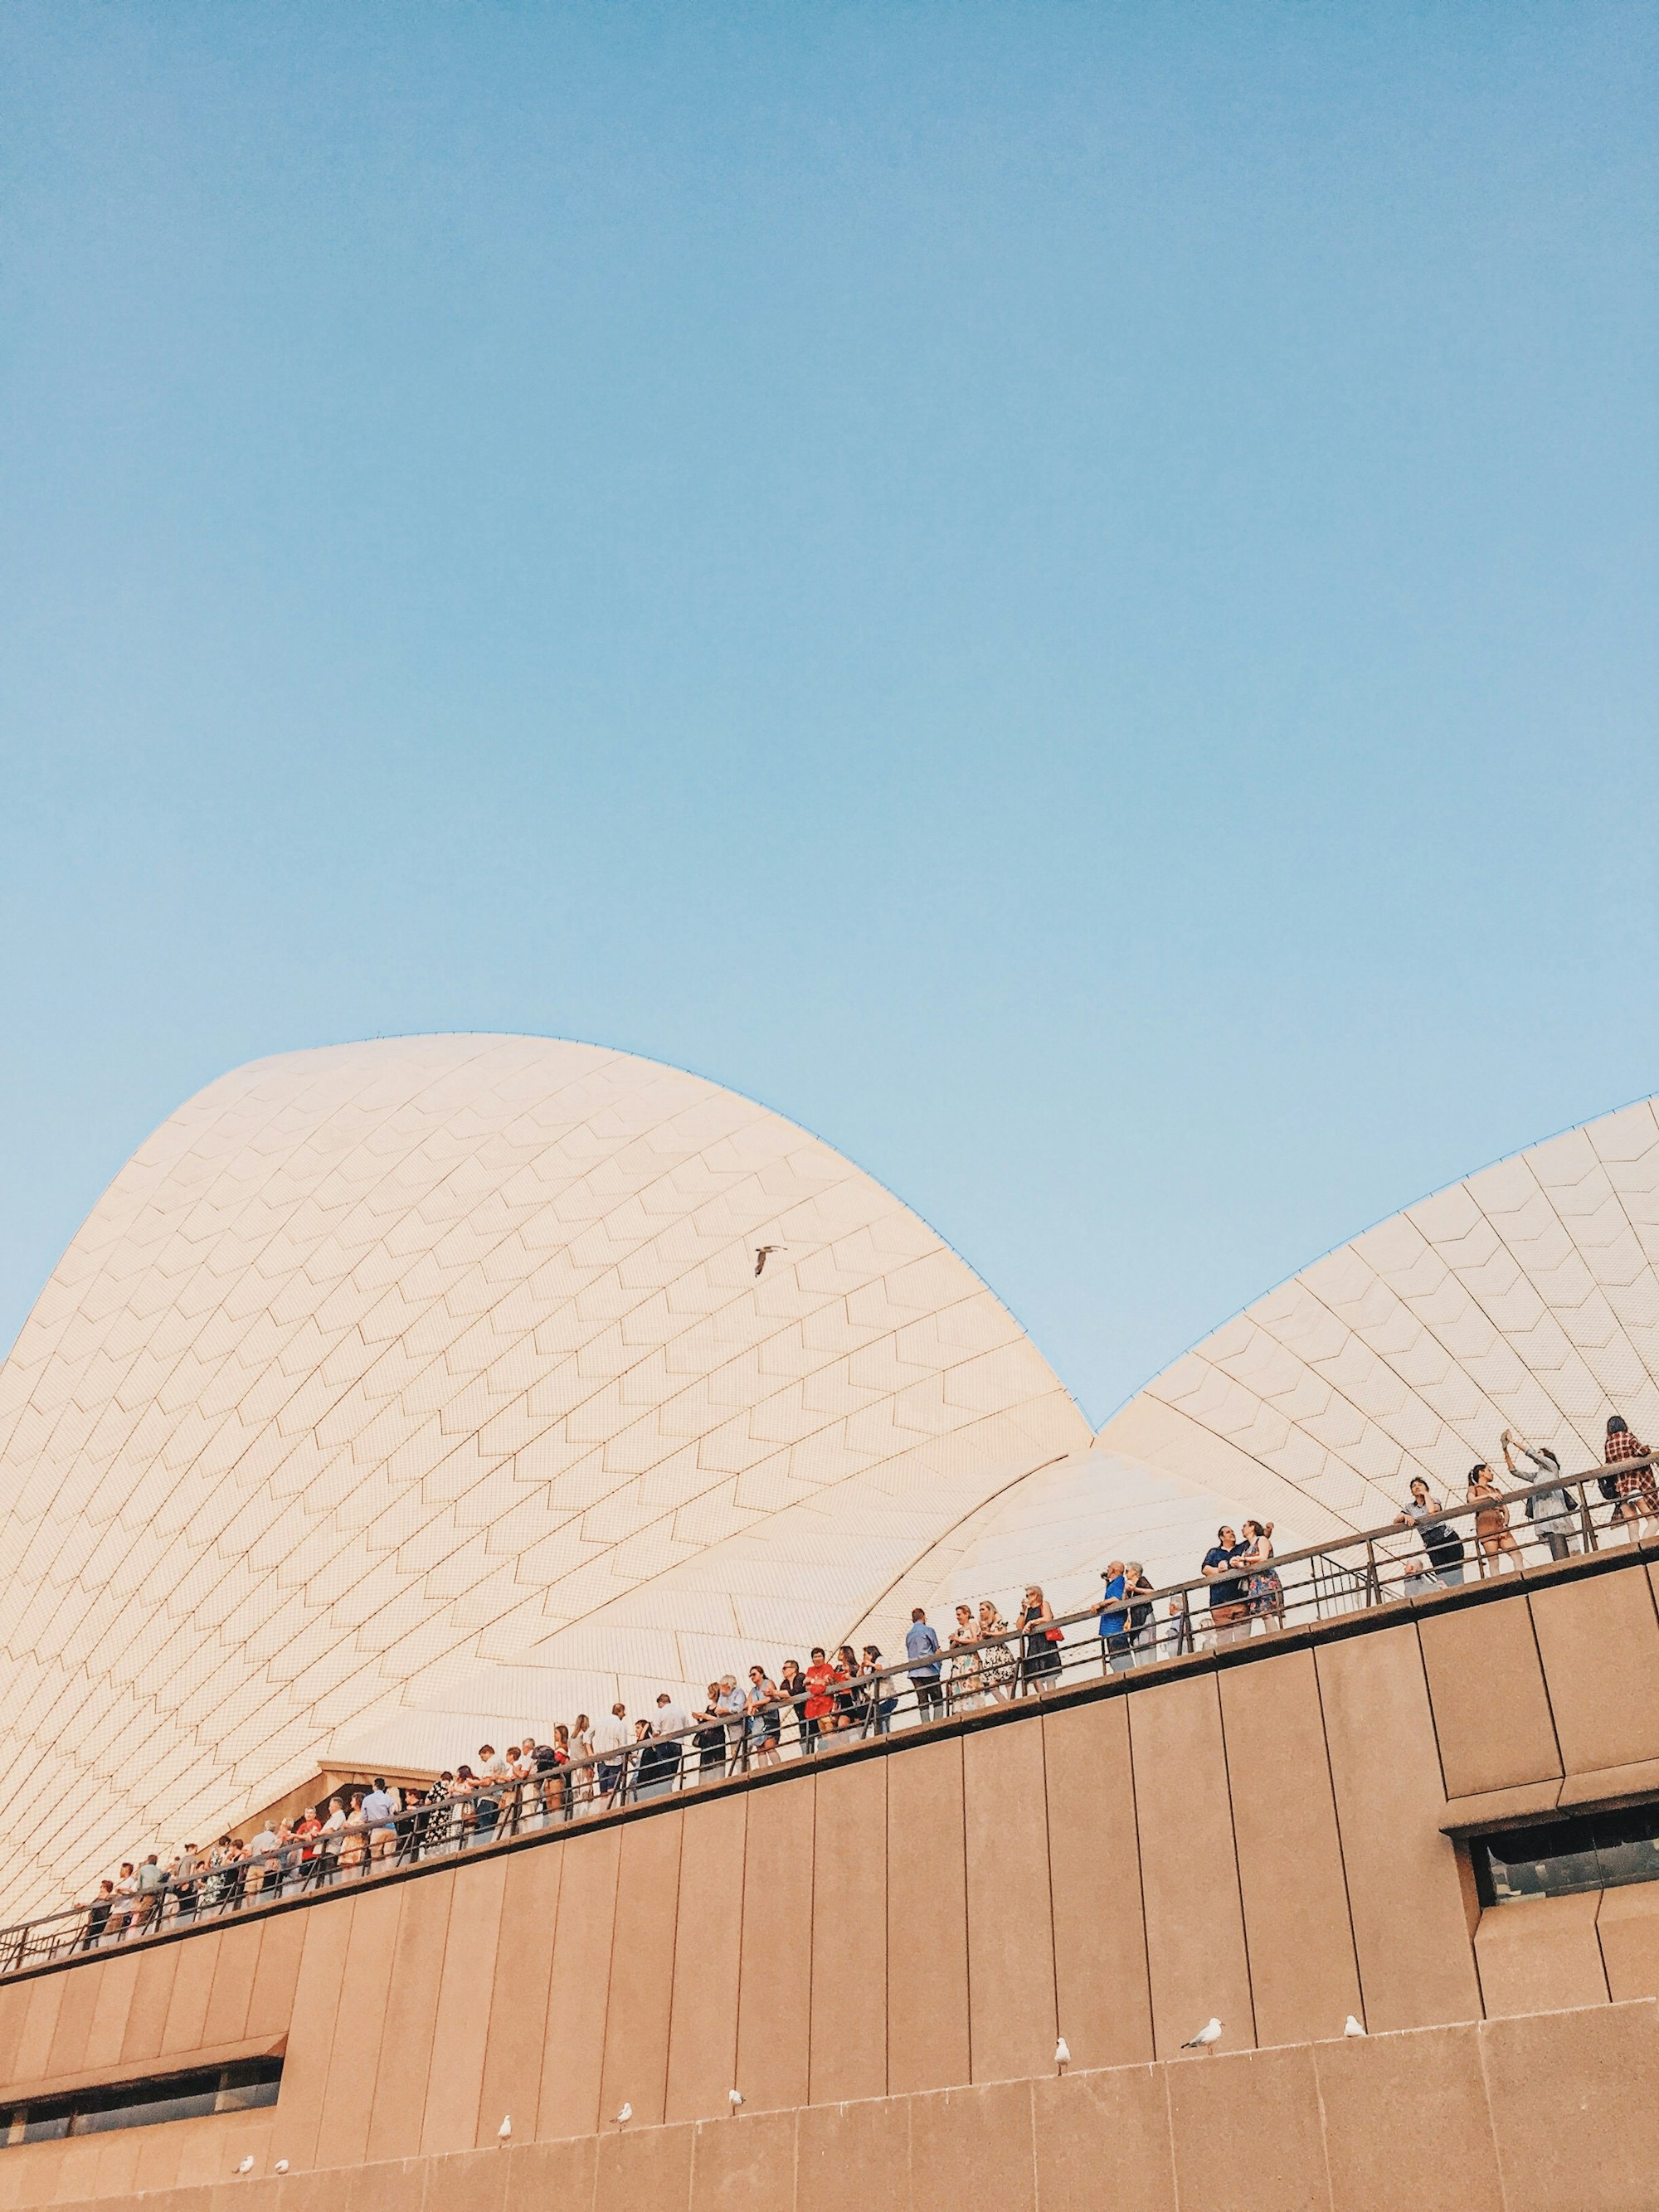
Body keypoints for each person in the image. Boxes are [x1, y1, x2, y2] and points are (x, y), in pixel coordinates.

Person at [1503, 1431, 1578, 1561]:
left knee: (1565, 1539)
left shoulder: (1552, 1467)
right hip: (1543, 1513)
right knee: (1553, 1544)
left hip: (1554, 1509)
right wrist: (1505, 1451)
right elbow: (1515, 1472)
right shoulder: (1537, 1476)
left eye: (1540, 1453)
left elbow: (1531, 1453)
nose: (1538, 1455)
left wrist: (1513, 1441)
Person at [1394, 1479, 1466, 1587]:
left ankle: (1462, 1592)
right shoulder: (1410, 1507)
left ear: (1426, 1488)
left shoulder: (1434, 1500)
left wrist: (1426, 1494)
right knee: (1441, 1573)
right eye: (1414, 1486)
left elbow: (1432, 1510)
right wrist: (1405, 1515)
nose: (1417, 1487)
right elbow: (1395, 1521)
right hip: (1431, 1542)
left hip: (1446, 1537)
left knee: (1455, 1570)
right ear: (1412, 1491)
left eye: (1420, 1485)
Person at [1606, 1415, 1659, 1542]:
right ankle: (1646, 1546)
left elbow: (1608, 1462)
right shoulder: (1628, 1438)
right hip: (1635, 1487)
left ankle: (1636, 1550)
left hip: (1622, 1492)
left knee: (1633, 1524)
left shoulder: (1608, 1444)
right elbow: (1642, 1451)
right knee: (1654, 1521)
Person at [1467, 1463, 1521, 1574]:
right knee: (1494, 1561)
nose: (1491, 1473)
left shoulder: (1495, 1490)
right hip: (1486, 1527)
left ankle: (1522, 1577)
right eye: (1489, 1470)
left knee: (1517, 1554)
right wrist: (1488, 1496)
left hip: (1500, 1525)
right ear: (1481, 1473)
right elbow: (1471, 1500)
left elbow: (1506, 1511)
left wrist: (1505, 1526)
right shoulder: (1474, 1488)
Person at [1201, 1528, 1252, 1646]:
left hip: (1240, 1599)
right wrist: (1218, 1570)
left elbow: (1259, 1538)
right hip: (1220, 1602)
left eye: (1232, 1531)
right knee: (1224, 1640)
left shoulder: (1242, 1548)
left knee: (1243, 1638)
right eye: (1228, 1532)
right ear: (1221, 1537)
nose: (1232, 1533)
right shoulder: (1214, 1553)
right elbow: (1205, 1569)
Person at [1017, 1585, 1061, 1691]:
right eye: (1027, 1595)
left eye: (1030, 1595)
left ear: (1037, 1595)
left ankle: (1052, 1695)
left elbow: (1047, 1618)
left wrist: (1032, 1622)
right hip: (1033, 1644)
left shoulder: (1044, 1604)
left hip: (1045, 1641)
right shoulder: (1028, 1610)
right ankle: (1042, 1695)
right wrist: (1023, 1611)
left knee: (1050, 1672)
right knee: (1034, 1673)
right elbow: (1019, 1626)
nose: (1028, 1597)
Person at [1241, 1519, 1282, 1628]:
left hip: (1265, 1579)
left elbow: (1263, 1557)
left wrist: (1244, 1559)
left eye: (1245, 1526)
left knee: (1266, 1612)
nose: (1242, 1528)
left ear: (1252, 1527)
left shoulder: (1262, 1539)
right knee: (1263, 1613)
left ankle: (1275, 1637)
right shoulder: (1248, 1547)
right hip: (1255, 1581)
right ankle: (1273, 1637)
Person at [906, 1608, 945, 1720]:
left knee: (922, 1699)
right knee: (937, 1697)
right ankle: (939, 1722)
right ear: (923, 1617)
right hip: (930, 1669)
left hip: (914, 1671)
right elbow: (936, 1648)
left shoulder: (909, 1635)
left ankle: (926, 1723)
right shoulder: (928, 1630)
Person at [975, 1601, 1017, 1699]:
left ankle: (1011, 1703)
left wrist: (990, 1634)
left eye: (983, 1609)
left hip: (1000, 1651)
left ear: (990, 1609)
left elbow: (1003, 1632)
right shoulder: (984, 1622)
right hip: (990, 1654)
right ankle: (1004, 1704)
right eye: (980, 1610)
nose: (981, 1612)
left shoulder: (997, 1617)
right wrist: (982, 1630)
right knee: (992, 1684)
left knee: (1007, 1679)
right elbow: (980, 1641)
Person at [592, 1704, 632, 1803]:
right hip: (615, 1761)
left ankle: (604, 1810)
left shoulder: (601, 1722)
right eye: (623, 1712)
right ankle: (611, 1810)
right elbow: (623, 1745)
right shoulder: (620, 1724)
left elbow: (587, 1736)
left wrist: (591, 1753)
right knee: (612, 1789)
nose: (624, 1715)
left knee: (603, 1790)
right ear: (620, 1711)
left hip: (601, 1760)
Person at [947, 1602, 983, 1711]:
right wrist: (954, 1640)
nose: (957, 1617)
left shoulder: (972, 1625)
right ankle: (961, 1710)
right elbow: (951, 1649)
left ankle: (975, 1709)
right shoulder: (957, 1630)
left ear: (966, 1614)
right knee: (959, 1685)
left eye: (959, 1614)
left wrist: (959, 1640)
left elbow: (975, 1640)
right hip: (959, 1662)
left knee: (971, 1684)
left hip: (970, 1660)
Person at [1097, 1563, 1133, 1673]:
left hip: (1115, 1628)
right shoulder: (1115, 1583)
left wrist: (1100, 1604)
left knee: (1120, 1659)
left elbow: (1116, 1598)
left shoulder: (1119, 1582)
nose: (1107, 1569)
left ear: (1113, 1570)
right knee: (1116, 1658)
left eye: (1109, 1567)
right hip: (1111, 1628)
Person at [745, 1667, 782, 1767]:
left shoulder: (768, 1683)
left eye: (754, 1674)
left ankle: (779, 1768)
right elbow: (746, 1704)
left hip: (770, 1719)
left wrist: (754, 1704)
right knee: (760, 1748)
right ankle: (763, 1770)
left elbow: (768, 1698)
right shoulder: (753, 1690)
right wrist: (751, 1705)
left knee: (769, 1745)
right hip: (758, 1722)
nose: (752, 1677)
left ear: (761, 1674)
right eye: (751, 1675)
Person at [802, 1648, 837, 1749]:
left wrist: (812, 1681)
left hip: (826, 1704)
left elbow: (825, 1684)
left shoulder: (828, 1667)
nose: (817, 1659)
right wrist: (818, 1682)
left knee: (829, 1729)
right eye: (815, 1657)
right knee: (823, 1732)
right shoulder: (810, 1669)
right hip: (815, 1707)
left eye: (819, 1656)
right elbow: (807, 1686)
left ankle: (835, 1751)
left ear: (824, 1658)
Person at [776, 1660, 812, 1754]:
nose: (783, 1670)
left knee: (815, 1733)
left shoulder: (800, 1677)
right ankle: (807, 1757)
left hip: (811, 1710)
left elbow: (796, 1691)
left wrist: (774, 1692)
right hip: (801, 1713)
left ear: (793, 1669)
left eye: (785, 1668)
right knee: (804, 1735)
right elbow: (781, 1695)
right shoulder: (786, 1683)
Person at [1124, 1564, 1158, 1663]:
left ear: (1135, 1571)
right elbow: (1124, 1601)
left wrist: (1136, 1589)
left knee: (1146, 1640)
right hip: (1135, 1619)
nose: (1126, 1573)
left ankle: (1148, 1665)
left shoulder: (1141, 1581)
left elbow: (1152, 1592)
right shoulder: (1128, 1585)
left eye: (1127, 1571)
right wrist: (1126, 1591)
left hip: (1145, 1614)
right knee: (1136, 1643)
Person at [693, 1686, 727, 1782]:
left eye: (710, 1692)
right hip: (707, 1739)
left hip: (716, 1738)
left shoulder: (720, 1707)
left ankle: (718, 1781)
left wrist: (706, 1716)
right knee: (705, 1762)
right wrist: (699, 1719)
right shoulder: (709, 1707)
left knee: (717, 1760)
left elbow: (720, 1720)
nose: (708, 1694)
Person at [861, 1646, 898, 1733]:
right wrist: (862, 1667)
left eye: (865, 1654)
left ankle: (885, 1738)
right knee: (879, 1721)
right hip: (877, 1699)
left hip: (886, 1697)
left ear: (871, 1654)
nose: (863, 1657)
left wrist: (871, 1664)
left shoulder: (880, 1659)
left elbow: (884, 1668)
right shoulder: (869, 1668)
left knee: (883, 1720)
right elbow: (861, 1677)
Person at [362, 1780, 399, 1863]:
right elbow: (394, 1811)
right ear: (384, 1787)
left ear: (374, 1786)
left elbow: (364, 1818)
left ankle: (376, 1873)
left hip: (376, 1829)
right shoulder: (388, 1798)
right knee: (389, 1855)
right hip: (390, 1828)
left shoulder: (367, 1800)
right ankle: (389, 1872)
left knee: (375, 1857)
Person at [82, 1879, 114, 1950]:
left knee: (89, 1938)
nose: (100, 1888)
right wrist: (82, 1905)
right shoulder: (99, 1898)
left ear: (105, 1887)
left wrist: (106, 1897)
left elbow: (114, 1897)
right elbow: (91, 1905)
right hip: (94, 1919)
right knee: (89, 1938)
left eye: (102, 1887)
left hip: (100, 1919)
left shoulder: (108, 1897)